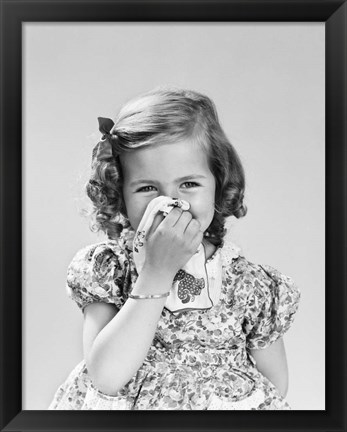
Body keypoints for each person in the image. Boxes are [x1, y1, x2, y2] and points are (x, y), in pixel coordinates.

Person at [49, 87, 300, 410]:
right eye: (148, 188)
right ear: (120, 192)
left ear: (219, 184)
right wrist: (156, 272)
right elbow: (107, 378)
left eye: (189, 184)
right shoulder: (110, 270)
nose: (169, 204)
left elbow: (274, 388)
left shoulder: (250, 283)